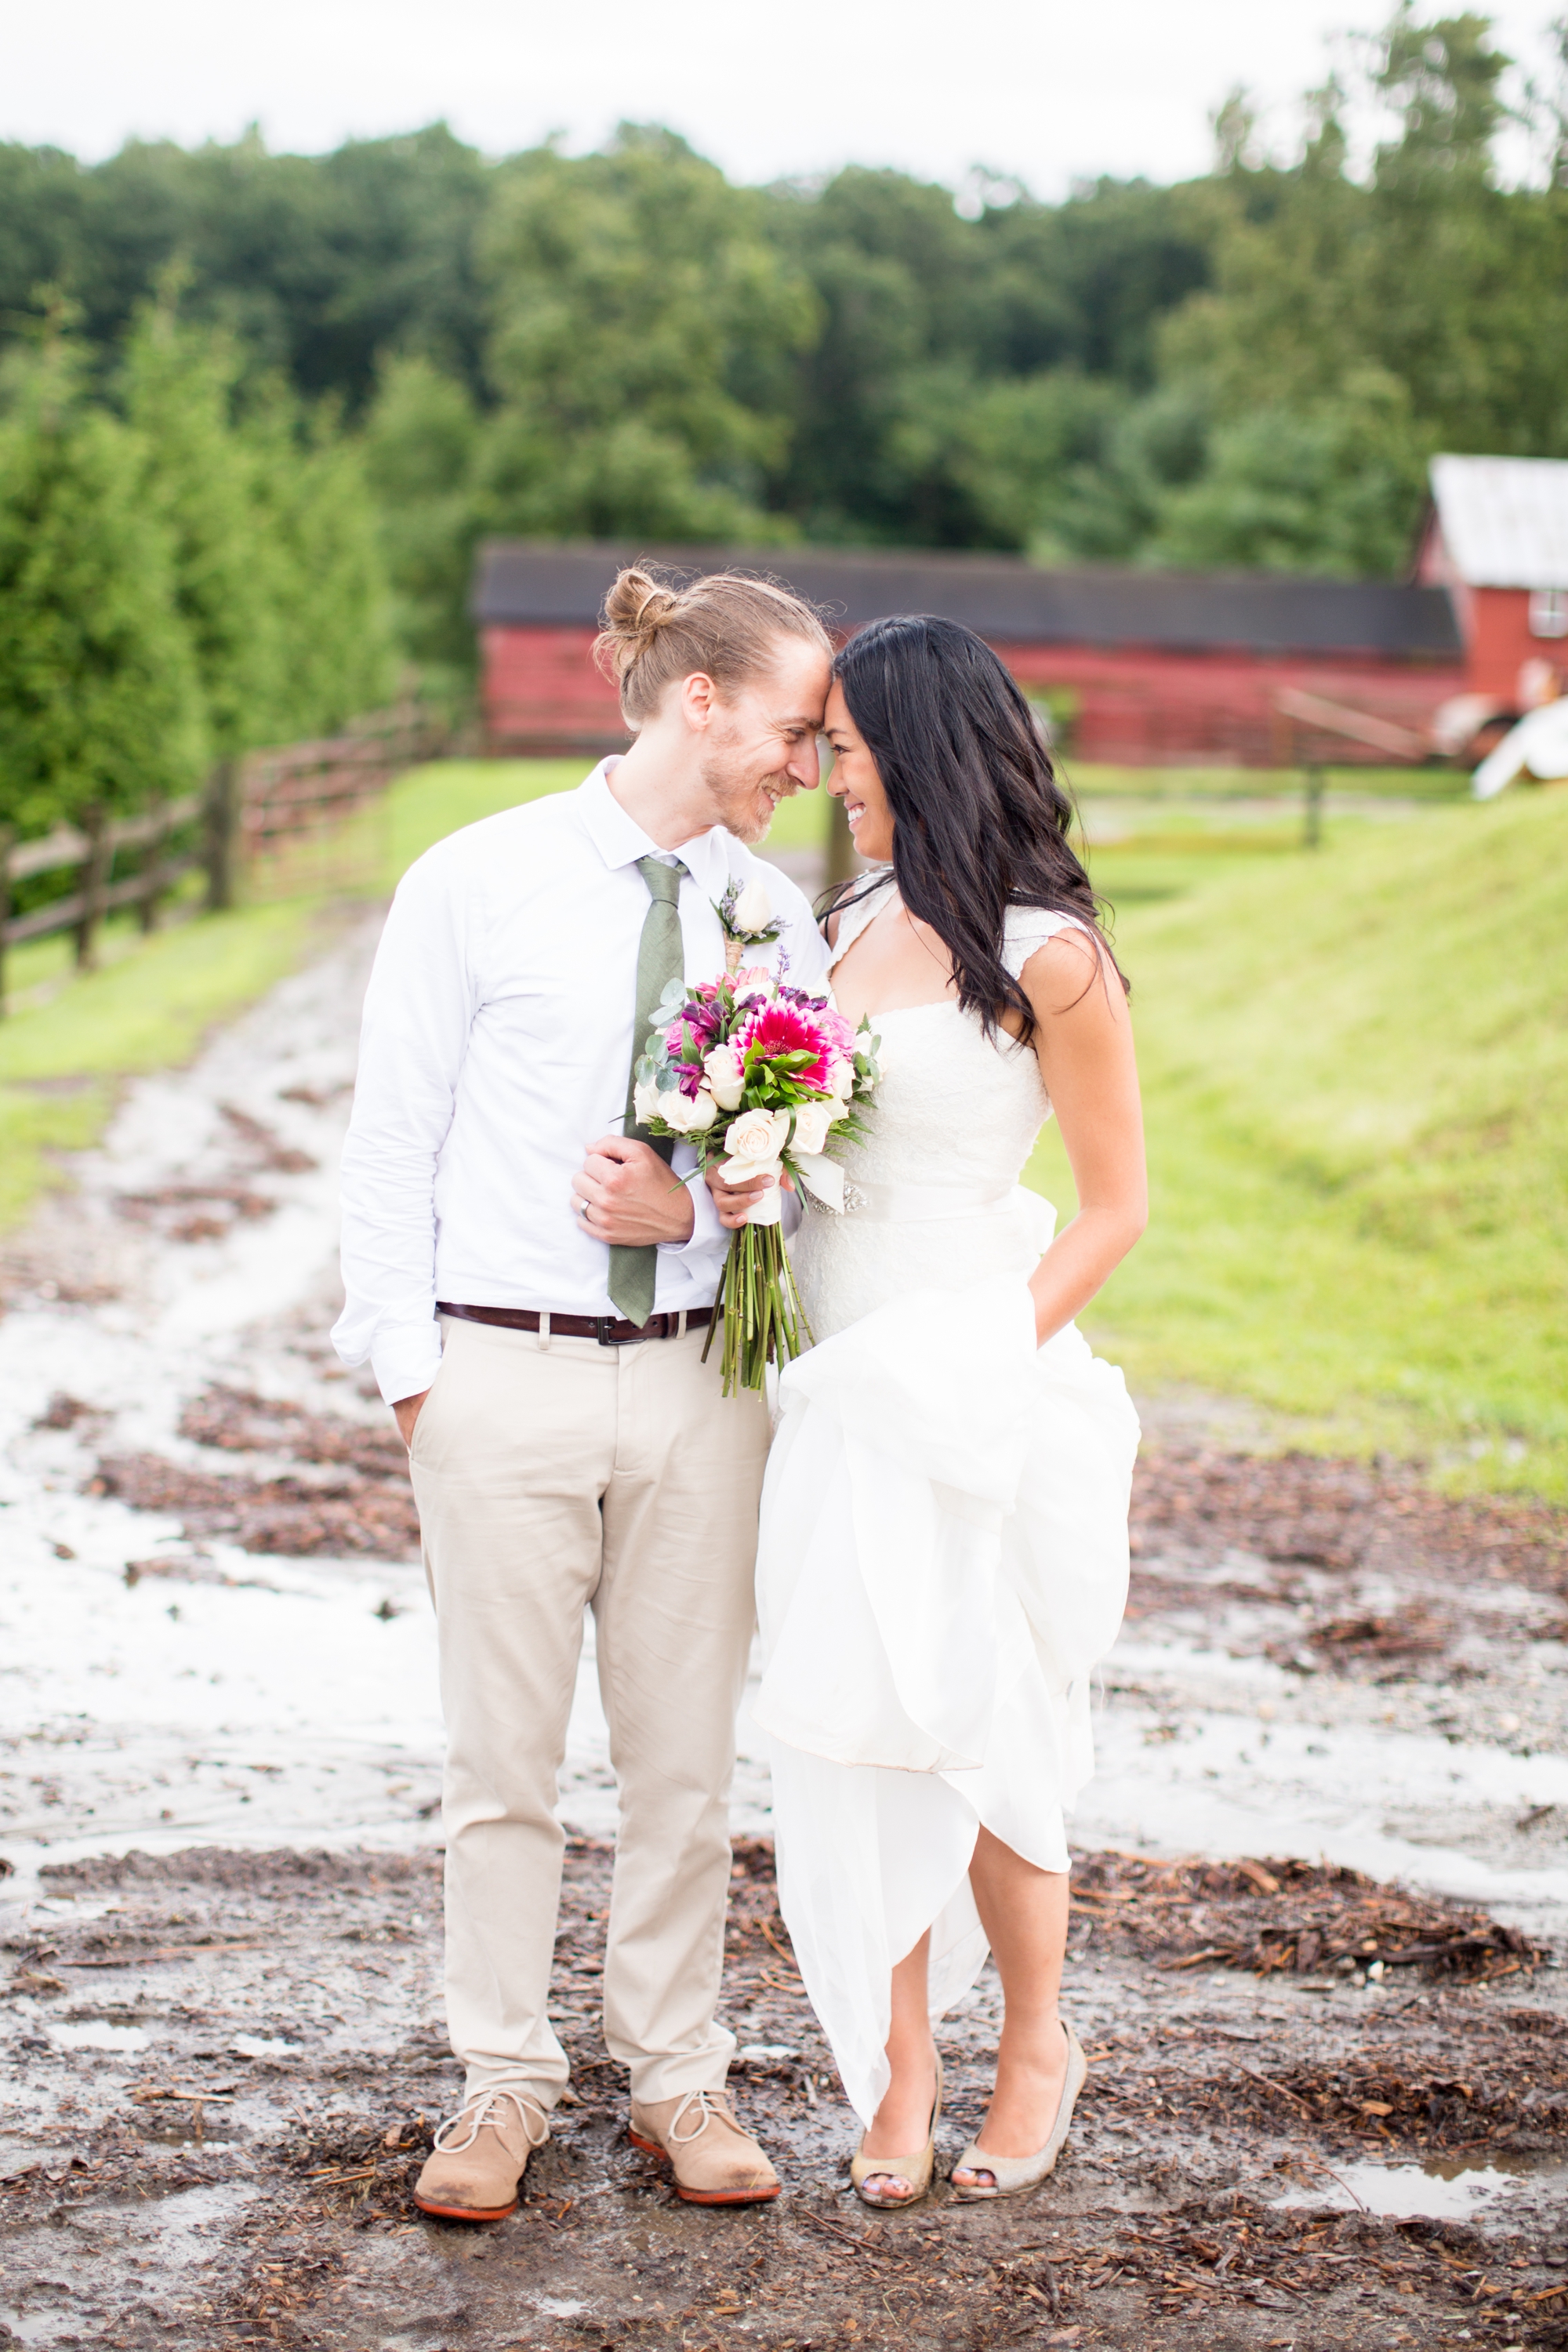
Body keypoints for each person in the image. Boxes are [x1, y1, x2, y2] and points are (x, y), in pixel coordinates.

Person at [332, 565, 833, 2221]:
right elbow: (390, 1140)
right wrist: (420, 1382)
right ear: (703, 703)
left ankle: (675, 2077)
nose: (806, 763)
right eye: (792, 727)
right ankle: (500, 2083)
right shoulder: (473, 880)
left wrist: (695, 1209)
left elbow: (812, 1176)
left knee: (686, 1764)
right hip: (502, 1377)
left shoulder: (773, 921)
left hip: (701, 1389)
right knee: (505, 1767)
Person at [712, 615, 1145, 2207]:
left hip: (968, 1367)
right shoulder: (831, 929)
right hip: (827, 1366)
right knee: (851, 1717)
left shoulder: (1049, 952)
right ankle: (900, 2068)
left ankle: (1037, 2043)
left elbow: (1116, 1210)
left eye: (843, 743)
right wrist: (748, 1171)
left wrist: (978, 1354)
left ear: (918, 740)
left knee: (979, 1715)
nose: (825, 770)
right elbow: (806, 1150)